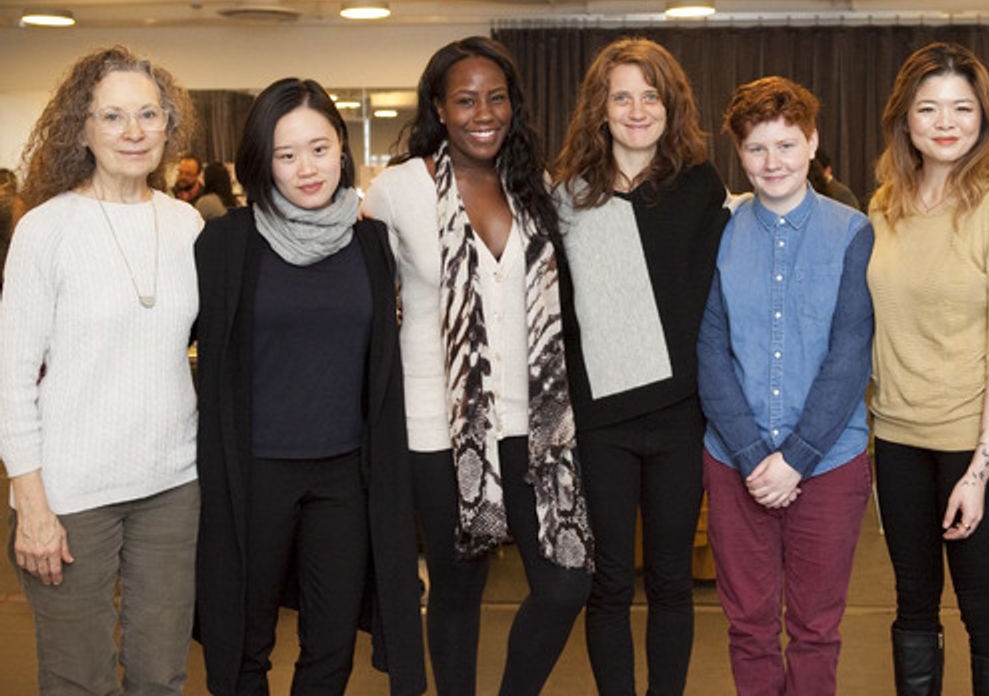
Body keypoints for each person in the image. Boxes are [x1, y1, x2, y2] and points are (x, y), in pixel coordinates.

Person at [363, 36, 592, 696]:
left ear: (513, 106)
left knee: (565, 580)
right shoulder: (399, 190)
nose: (482, 113)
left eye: (496, 98)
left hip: (534, 426)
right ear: (438, 107)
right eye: (464, 99)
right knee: (458, 590)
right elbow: (367, 299)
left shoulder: (534, 187)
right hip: (437, 427)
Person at [192, 78, 425, 695]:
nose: (306, 168)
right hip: (252, 474)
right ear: (262, 161)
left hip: (345, 478)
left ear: (342, 148)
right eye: (286, 153)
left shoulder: (370, 240)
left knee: (331, 646)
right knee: (243, 644)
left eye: (319, 149)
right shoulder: (227, 242)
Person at [0, 45, 202, 693]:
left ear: (169, 125)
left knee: (159, 674)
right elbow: (10, 373)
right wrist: (30, 502)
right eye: (112, 116)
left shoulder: (188, 225)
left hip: (172, 488)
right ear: (80, 128)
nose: (134, 131)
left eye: (148, 113)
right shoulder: (47, 229)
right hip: (69, 495)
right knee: (79, 679)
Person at [552, 37, 727, 695]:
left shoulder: (700, 186)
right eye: (621, 95)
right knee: (611, 582)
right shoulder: (569, 197)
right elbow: (564, 316)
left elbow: (708, 305)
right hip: (602, 422)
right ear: (600, 106)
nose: (636, 109)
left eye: (649, 95)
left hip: (681, 415)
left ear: (671, 103)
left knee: (673, 580)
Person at [697, 76, 874, 695]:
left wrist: (796, 458)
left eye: (787, 145)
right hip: (733, 462)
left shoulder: (854, 232)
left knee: (816, 627)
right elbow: (710, 349)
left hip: (830, 464)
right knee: (747, 627)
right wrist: (752, 455)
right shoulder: (719, 231)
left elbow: (851, 355)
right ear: (738, 153)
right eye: (756, 149)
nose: (772, 163)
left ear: (813, 142)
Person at [867, 42, 989, 695]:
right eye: (928, 107)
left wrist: (980, 471)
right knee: (911, 603)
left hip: (975, 438)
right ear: (904, 119)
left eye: (962, 108)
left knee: (982, 607)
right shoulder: (885, 205)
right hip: (899, 437)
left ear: (983, 117)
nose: (945, 121)